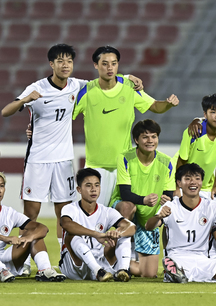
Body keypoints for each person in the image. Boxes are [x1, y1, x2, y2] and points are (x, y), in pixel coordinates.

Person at [0, 44, 142, 250]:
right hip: (38, 159)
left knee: (64, 213)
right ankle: (22, 258)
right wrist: (25, 99)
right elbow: (6, 111)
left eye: (69, 61)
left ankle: (64, 254)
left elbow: (106, 78)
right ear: (51, 64)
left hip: (64, 160)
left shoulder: (78, 85)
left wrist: (128, 76)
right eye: (60, 61)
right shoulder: (37, 87)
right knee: (31, 214)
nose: (65, 65)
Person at [73, 45, 179, 206]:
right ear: (96, 65)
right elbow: (65, 117)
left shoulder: (129, 87)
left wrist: (168, 104)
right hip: (96, 166)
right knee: (92, 218)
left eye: (114, 63)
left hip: (124, 166)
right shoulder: (86, 91)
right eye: (105, 63)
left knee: (128, 211)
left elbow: (155, 106)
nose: (110, 68)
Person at [109, 120, 175, 278]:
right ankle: (125, 256)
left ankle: (110, 260)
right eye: (145, 137)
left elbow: (169, 194)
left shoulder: (167, 162)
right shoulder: (125, 158)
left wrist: (167, 200)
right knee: (128, 206)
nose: (150, 140)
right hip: (125, 207)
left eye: (154, 136)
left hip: (148, 216)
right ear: (136, 140)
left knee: (149, 274)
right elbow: (125, 193)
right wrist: (144, 200)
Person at [59, 168, 136, 282]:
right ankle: (97, 271)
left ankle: (123, 270)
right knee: (72, 236)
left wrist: (118, 233)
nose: (93, 189)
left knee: (124, 234)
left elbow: (131, 227)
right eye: (88, 185)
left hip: (100, 261)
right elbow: (65, 224)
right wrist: (96, 234)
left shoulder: (107, 211)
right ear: (79, 189)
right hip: (74, 266)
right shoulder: (70, 208)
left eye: (97, 185)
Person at [0, 172, 65, 282]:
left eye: (1, 186)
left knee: (35, 234)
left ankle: (45, 270)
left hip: (4, 257)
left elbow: (43, 228)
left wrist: (29, 238)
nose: (0, 190)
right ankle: (2, 271)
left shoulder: (9, 213)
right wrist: (5, 238)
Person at [177, 94, 216, 202]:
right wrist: (177, 187)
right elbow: (181, 161)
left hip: (206, 186)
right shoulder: (192, 132)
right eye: (213, 112)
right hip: (184, 183)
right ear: (205, 114)